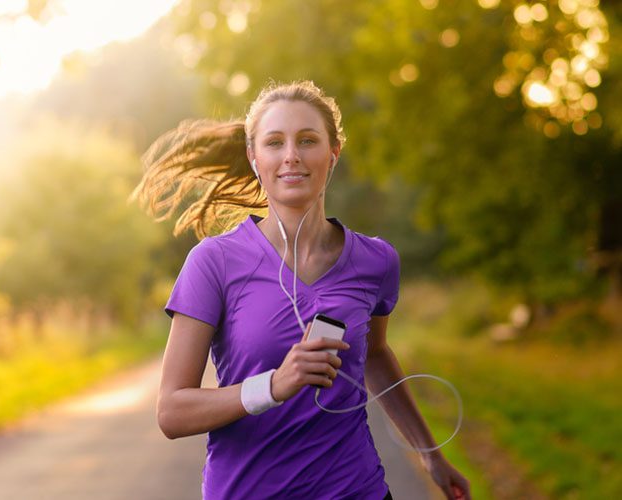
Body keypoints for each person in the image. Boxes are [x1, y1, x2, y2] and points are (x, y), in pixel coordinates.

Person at [130, 80, 471, 499]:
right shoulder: (214, 262)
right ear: (254, 158)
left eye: (307, 140)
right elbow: (171, 411)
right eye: (275, 143)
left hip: (355, 489)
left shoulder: (376, 261)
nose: (291, 155)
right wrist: (274, 385)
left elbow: (376, 354)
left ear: (333, 154)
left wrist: (430, 454)